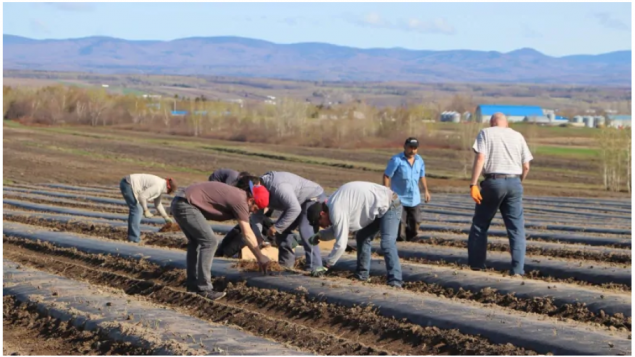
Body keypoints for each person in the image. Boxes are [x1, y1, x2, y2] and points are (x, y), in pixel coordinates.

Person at [170, 180, 271, 301]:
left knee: (196, 242)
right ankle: (204, 288)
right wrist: (260, 256)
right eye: (255, 208)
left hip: (180, 201)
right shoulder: (241, 201)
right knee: (210, 242)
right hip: (186, 205)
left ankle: (193, 285)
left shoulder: (240, 197)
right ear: (251, 200)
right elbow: (247, 233)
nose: (254, 211)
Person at [468, 112, 533, 276]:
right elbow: (526, 166)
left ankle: (477, 266)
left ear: (492, 122)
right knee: (516, 228)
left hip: (493, 182)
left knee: (480, 225)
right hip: (515, 182)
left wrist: (473, 183)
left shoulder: (486, 133)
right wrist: (518, 183)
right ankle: (518, 270)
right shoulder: (518, 136)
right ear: (506, 123)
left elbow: (481, 158)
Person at [306, 181, 403, 288]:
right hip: (379, 205)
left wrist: (326, 265)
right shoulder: (332, 205)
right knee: (362, 237)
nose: (323, 226)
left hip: (390, 204)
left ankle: (395, 281)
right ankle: (362, 276)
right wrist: (320, 235)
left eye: (320, 223)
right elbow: (337, 230)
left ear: (322, 214)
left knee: (387, 243)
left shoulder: (336, 210)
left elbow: (341, 244)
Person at [256, 171, 326, 270]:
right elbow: (257, 216)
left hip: (312, 197)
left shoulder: (279, 188)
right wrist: (258, 236)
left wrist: (277, 227)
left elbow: (295, 209)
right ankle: (285, 266)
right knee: (282, 232)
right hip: (296, 202)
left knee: (305, 229)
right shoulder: (258, 191)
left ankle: (315, 267)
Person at [383, 137, 431, 242]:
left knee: (416, 222)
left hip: (414, 198)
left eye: (415, 148)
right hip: (399, 198)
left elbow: (422, 176)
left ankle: (411, 240)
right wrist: (387, 192)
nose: (412, 150)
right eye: (410, 147)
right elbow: (387, 176)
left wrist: (426, 191)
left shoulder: (419, 160)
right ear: (405, 147)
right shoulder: (396, 160)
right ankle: (400, 245)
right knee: (400, 225)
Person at [119, 174, 177, 243]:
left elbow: (158, 204)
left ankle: (133, 236)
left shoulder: (161, 186)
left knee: (137, 210)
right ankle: (134, 238)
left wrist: (165, 217)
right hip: (128, 184)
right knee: (137, 210)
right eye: (170, 191)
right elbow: (142, 197)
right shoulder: (158, 187)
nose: (168, 193)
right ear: (168, 187)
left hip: (128, 183)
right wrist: (146, 210)